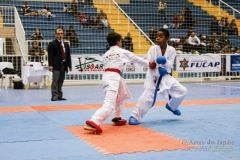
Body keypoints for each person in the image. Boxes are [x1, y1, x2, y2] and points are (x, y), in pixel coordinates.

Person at [83, 32, 155, 134]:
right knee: (109, 104)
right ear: (118, 42)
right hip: (113, 78)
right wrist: (150, 63)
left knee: (120, 96)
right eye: (121, 41)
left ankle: (117, 117)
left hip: (110, 76)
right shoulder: (122, 52)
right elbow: (137, 59)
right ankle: (94, 120)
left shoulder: (106, 54)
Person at [128, 28, 187, 125]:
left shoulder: (172, 50)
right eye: (157, 36)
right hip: (153, 77)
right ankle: (134, 116)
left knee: (182, 91)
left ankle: (172, 106)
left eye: (161, 36)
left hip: (165, 76)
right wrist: (152, 65)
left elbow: (170, 65)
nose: (158, 38)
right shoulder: (153, 49)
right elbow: (148, 61)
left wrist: (165, 61)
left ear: (167, 38)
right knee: (147, 97)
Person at [47, 28, 72, 101]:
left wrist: (69, 65)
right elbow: (50, 56)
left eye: (61, 33)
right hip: (56, 65)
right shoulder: (52, 44)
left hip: (64, 65)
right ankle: (54, 96)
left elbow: (68, 56)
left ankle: (59, 95)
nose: (60, 35)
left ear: (63, 34)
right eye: (58, 33)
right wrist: (50, 65)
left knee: (61, 81)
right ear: (55, 34)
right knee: (55, 81)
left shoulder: (66, 44)